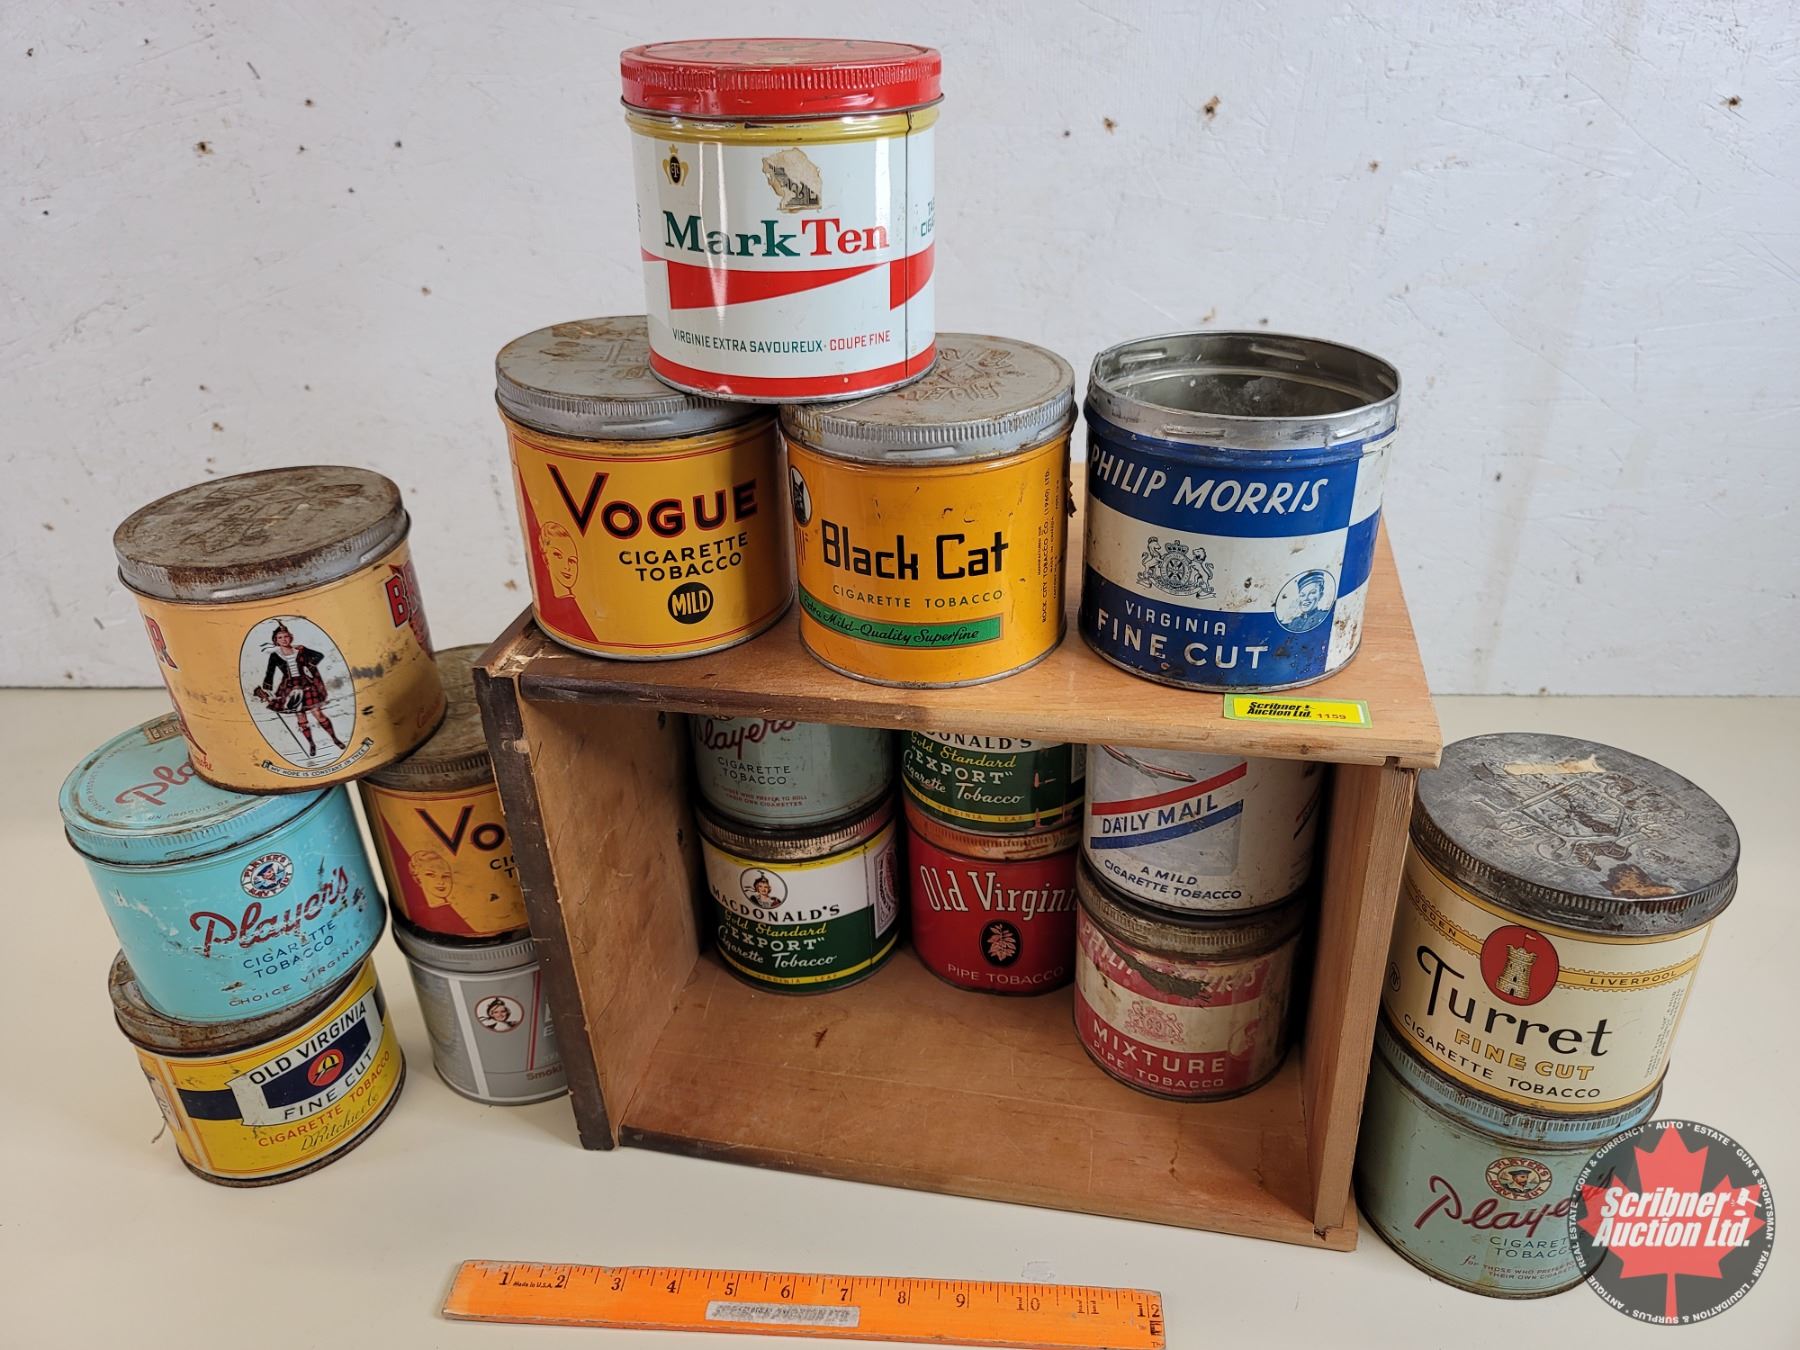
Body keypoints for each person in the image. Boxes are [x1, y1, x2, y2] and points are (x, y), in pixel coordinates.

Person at [252, 623, 343, 758]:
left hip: (307, 684)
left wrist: (308, 665)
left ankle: (334, 739)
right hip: (289, 687)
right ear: (276, 640)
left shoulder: (300, 650)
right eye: (280, 637)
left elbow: (319, 656)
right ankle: (311, 744)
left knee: (318, 714)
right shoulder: (275, 655)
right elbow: (270, 673)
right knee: (300, 716)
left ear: (291, 637)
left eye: (286, 636)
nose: (284, 639)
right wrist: (266, 691)